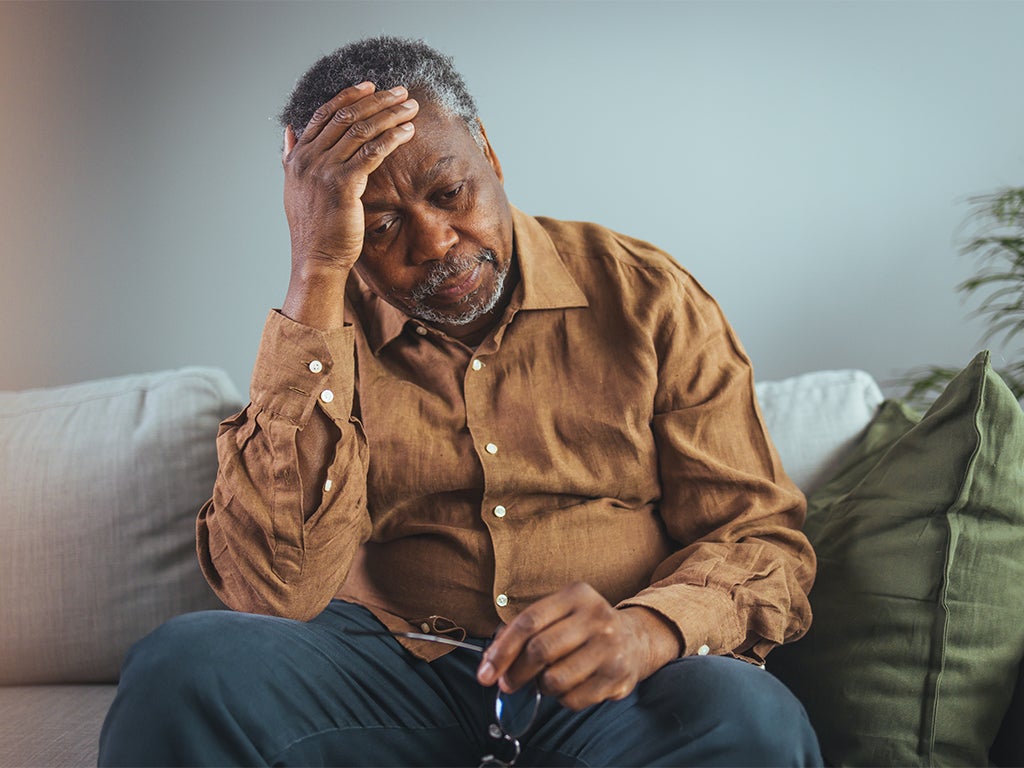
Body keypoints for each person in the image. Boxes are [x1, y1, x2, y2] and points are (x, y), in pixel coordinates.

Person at [99, 36, 822, 767]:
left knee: (750, 717)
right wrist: (316, 269)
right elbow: (272, 594)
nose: (437, 241)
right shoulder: (320, 332)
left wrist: (644, 632)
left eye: (451, 194)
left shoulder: (648, 298)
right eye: (380, 225)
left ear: (491, 158)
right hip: (389, 675)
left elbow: (760, 542)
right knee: (183, 665)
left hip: (614, 684)